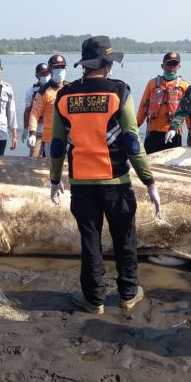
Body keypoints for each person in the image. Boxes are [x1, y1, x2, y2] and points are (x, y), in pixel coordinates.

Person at [49, 36, 161, 314]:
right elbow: (132, 142)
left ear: (85, 65)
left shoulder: (65, 95)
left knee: (90, 241)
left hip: (81, 184)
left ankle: (94, 299)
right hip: (116, 183)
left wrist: (54, 179)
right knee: (125, 238)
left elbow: (58, 145)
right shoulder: (118, 92)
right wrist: (149, 180)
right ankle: (128, 293)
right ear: (108, 64)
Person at [136, 52, 190, 154]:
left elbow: (187, 110)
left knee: (171, 164)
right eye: (169, 64)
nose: (171, 67)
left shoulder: (184, 85)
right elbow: (143, 106)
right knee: (151, 162)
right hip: (154, 131)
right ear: (162, 65)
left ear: (179, 66)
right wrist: (136, 125)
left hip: (174, 132)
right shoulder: (152, 83)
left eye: (175, 64)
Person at [28, 54, 68, 157]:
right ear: (50, 70)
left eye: (62, 67)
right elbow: (34, 113)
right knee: (50, 170)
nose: (60, 69)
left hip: (69, 138)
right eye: (56, 67)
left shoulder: (70, 88)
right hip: (51, 139)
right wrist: (32, 133)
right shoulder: (43, 92)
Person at [22, 63, 50, 157]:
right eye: (42, 74)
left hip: (51, 131)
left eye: (47, 73)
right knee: (34, 157)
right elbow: (27, 111)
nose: (45, 76)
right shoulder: (31, 91)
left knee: (52, 159)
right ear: (37, 75)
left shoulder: (55, 89)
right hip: (37, 131)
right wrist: (26, 129)